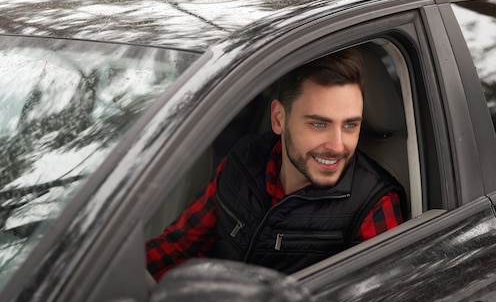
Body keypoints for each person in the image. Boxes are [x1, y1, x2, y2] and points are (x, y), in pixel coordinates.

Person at [145, 48, 405, 280]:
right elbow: (178, 247)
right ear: (279, 118)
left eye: (350, 125)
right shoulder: (244, 162)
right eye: (319, 124)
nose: (338, 146)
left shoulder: (373, 204)